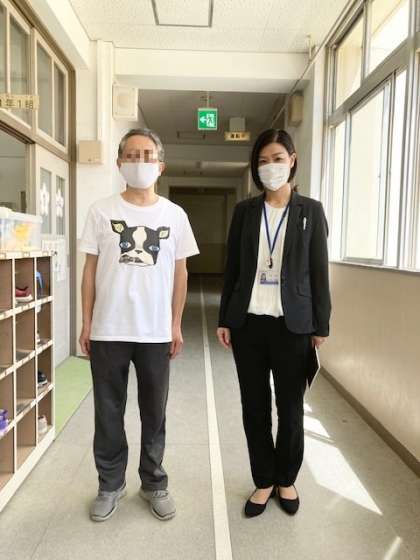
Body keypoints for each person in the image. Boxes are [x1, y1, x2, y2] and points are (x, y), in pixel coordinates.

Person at [79, 128, 199, 522]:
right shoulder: (101, 211)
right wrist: (86, 323)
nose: (140, 161)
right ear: (119, 163)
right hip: (108, 329)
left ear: (161, 165)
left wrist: (176, 325)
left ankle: (154, 483)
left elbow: (180, 274)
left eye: (148, 155)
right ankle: (110, 484)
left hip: (155, 332)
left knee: (154, 412)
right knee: (107, 412)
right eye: (132, 155)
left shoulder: (174, 216)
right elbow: (90, 271)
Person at [217, 129, 331, 518]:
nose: (271, 167)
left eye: (278, 159)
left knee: (291, 409)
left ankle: (287, 478)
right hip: (248, 325)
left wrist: (321, 325)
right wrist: (225, 318)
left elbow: (319, 272)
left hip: (293, 326)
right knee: (254, 407)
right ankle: (264, 480)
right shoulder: (245, 212)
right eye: (263, 161)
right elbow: (233, 268)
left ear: (293, 160)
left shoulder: (310, 211)